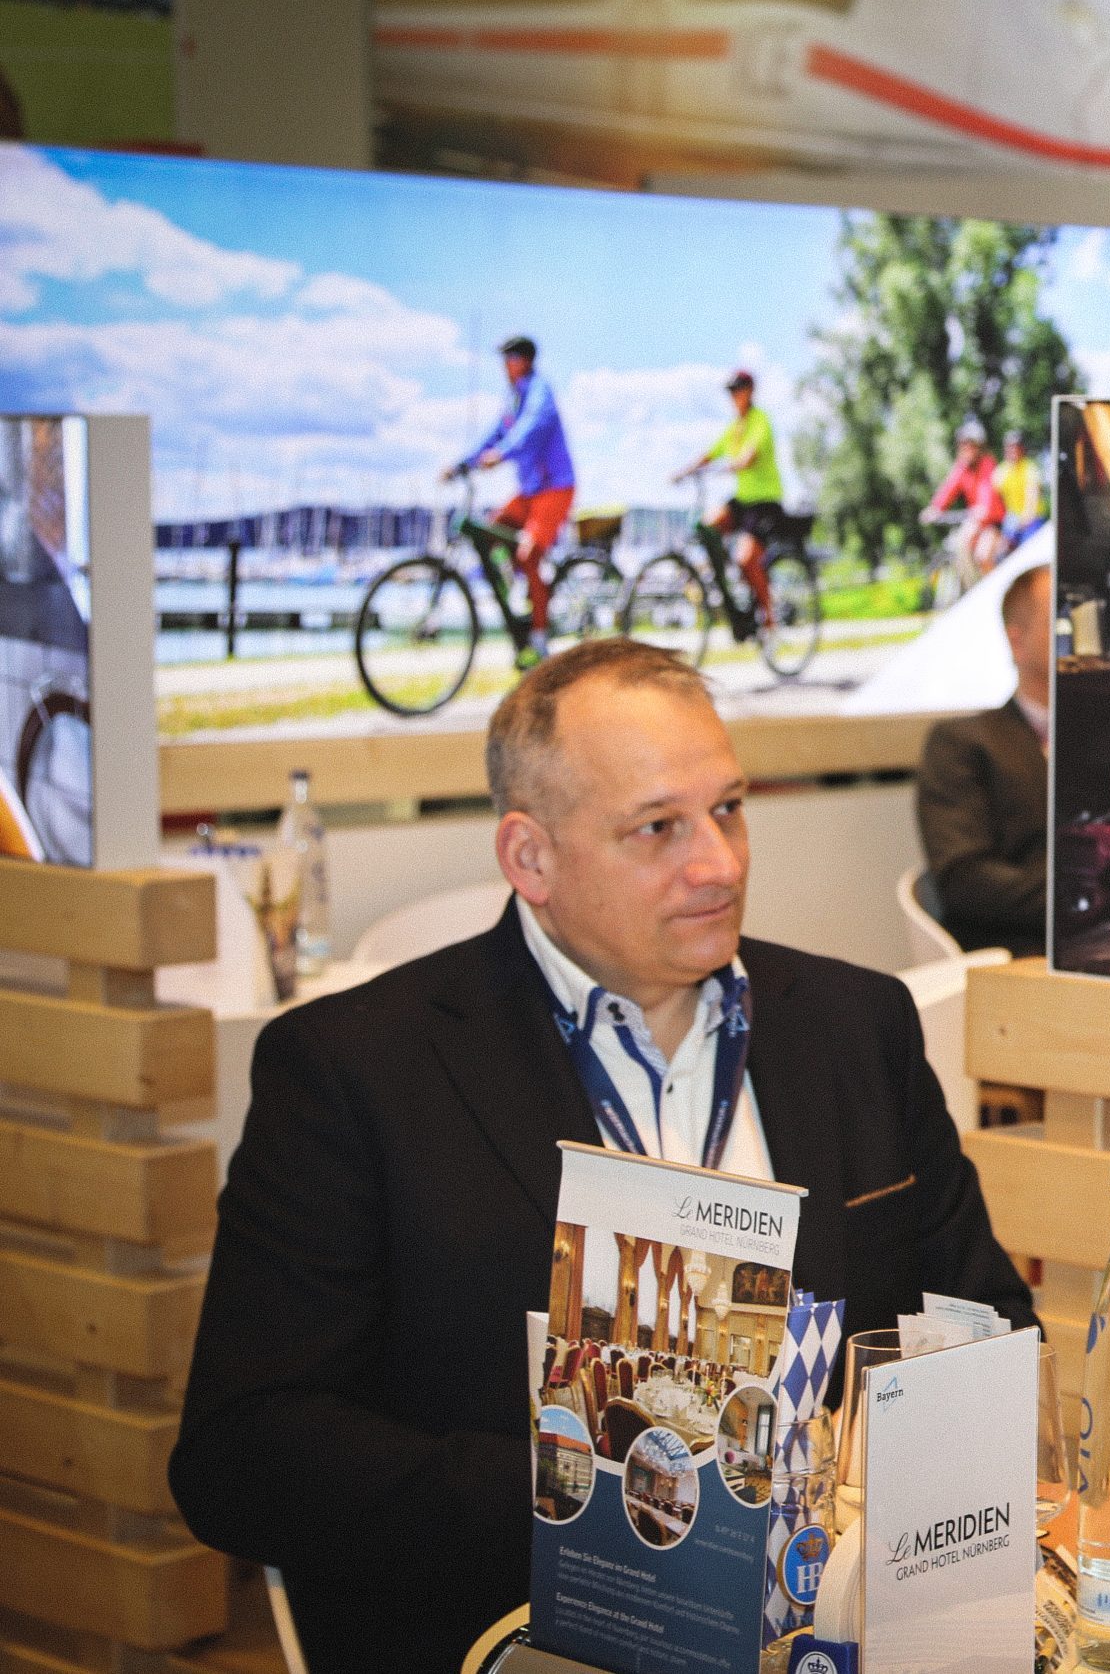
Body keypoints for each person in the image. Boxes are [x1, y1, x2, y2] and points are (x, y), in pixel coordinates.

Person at [171, 639, 1034, 1674]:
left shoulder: (857, 1026)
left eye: (728, 809)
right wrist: (590, 1497)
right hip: (520, 1633)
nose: (718, 862)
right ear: (529, 857)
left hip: (845, 1629)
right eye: (657, 828)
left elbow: (985, 1335)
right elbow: (243, 1455)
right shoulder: (357, 1070)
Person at [915, 565, 1050, 956]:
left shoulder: (1109, 736)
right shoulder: (962, 743)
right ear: (1017, 641)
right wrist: (1079, 898)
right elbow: (965, 882)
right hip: (1018, 953)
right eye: (1058, 620)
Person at [447, 335, 576, 663]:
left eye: (511, 358)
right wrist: (465, 462)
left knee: (528, 551)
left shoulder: (538, 391)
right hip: (531, 491)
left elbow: (531, 428)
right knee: (490, 532)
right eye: (504, 359)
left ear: (526, 360)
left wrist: (502, 454)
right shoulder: (513, 399)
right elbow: (495, 434)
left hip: (554, 487)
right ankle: (520, 593)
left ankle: (539, 635)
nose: (505, 366)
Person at [677, 369, 783, 614]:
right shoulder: (734, 427)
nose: (735, 395)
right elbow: (710, 453)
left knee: (747, 560)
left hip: (765, 502)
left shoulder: (760, 420)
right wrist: (685, 472)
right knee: (707, 527)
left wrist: (737, 464)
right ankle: (724, 581)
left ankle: (769, 617)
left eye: (739, 389)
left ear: (750, 391)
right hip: (743, 501)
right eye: (731, 391)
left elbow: (751, 454)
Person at [926, 415, 1006, 586]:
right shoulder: (962, 467)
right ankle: (972, 589)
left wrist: (983, 509)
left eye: (970, 446)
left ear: (979, 447)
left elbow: (987, 491)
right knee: (961, 544)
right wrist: (934, 508)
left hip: (993, 522)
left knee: (983, 555)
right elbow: (949, 488)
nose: (966, 450)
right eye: (963, 446)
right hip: (976, 520)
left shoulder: (987, 464)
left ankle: (994, 591)